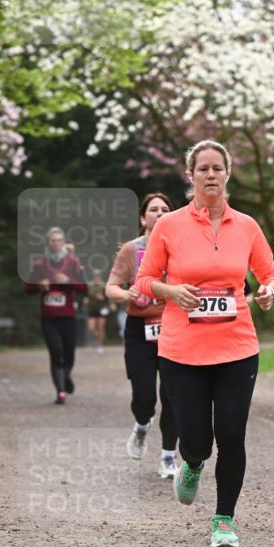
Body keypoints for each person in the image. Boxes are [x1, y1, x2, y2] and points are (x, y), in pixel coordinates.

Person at [134, 139, 274, 547]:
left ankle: (224, 521)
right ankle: (193, 462)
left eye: (218, 168)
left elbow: (270, 273)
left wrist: (267, 290)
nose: (211, 175)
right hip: (183, 350)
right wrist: (171, 291)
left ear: (228, 173)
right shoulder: (170, 225)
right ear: (191, 175)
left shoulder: (247, 226)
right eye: (203, 169)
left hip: (237, 346)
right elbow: (144, 280)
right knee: (197, 438)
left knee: (232, 434)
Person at [105, 193, 179, 479]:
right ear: (142, 217)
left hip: (173, 329)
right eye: (153, 209)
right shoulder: (131, 250)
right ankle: (141, 425)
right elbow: (110, 287)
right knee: (144, 396)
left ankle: (168, 457)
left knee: (173, 395)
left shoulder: (181, 249)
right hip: (139, 331)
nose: (159, 214)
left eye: (164, 209)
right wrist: (127, 293)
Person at [25, 226, 87, 404]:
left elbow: (84, 288)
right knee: (55, 351)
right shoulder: (40, 264)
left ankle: (65, 375)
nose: (56, 244)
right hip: (49, 317)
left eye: (59, 240)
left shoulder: (73, 262)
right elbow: (28, 289)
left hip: (68, 315)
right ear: (47, 243)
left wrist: (69, 281)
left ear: (64, 242)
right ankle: (60, 391)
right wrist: (39, 286)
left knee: (69, 352)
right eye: (53, 241)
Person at [85, 270, 111, 353]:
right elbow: (86, 295)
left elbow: (108, 297)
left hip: (101, 309)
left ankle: (100, 345)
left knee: (101, 328)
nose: (97, 278)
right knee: (91, 328)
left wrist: (104, 298)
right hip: (92, 309)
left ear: (100, 277)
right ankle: (96, 341)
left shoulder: (104, 286)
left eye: (98, 276)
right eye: (95, 276)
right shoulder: (90, 286)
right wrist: (86, 300)